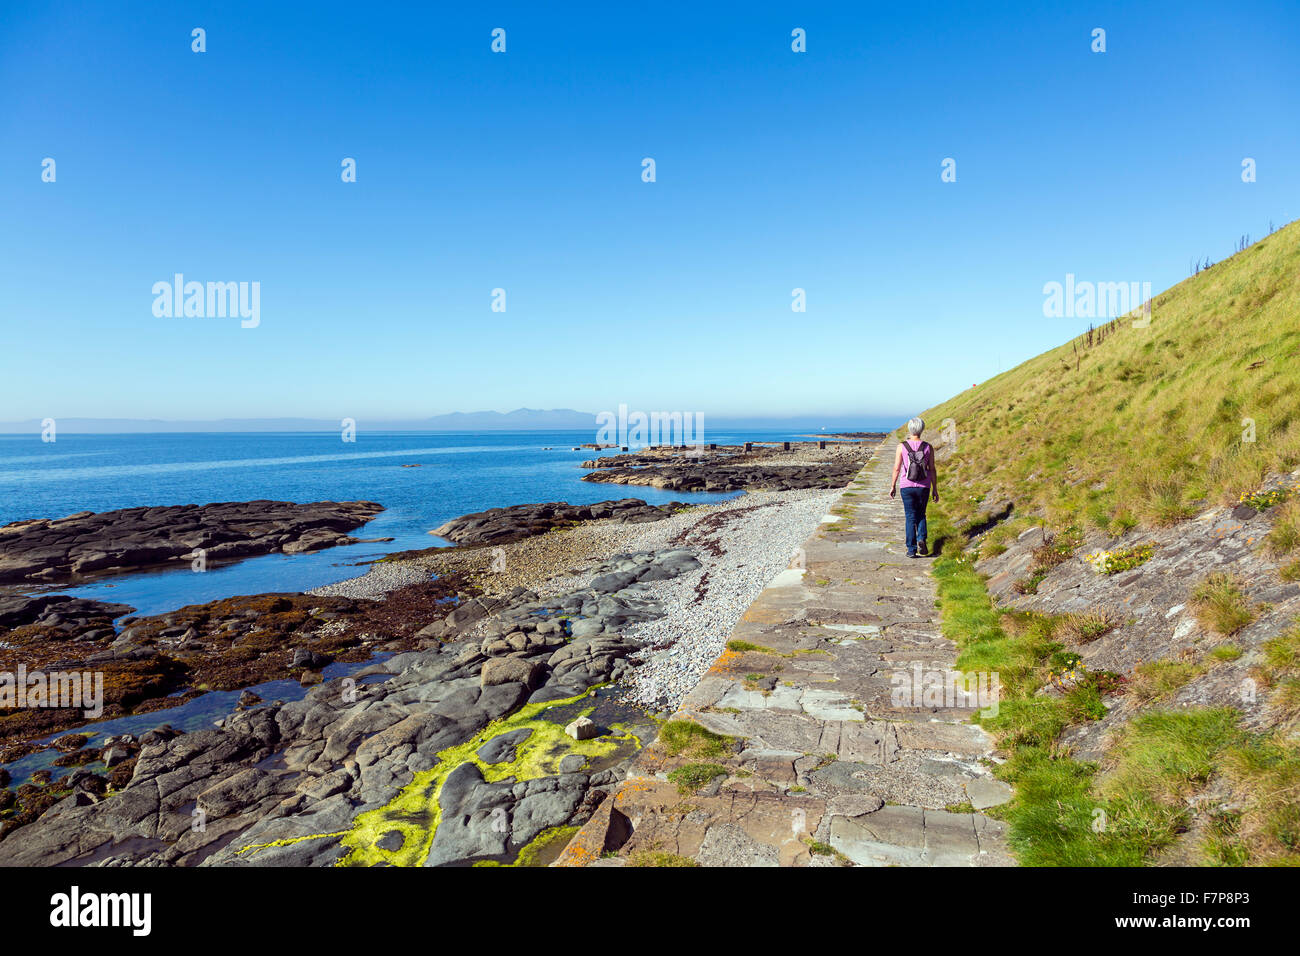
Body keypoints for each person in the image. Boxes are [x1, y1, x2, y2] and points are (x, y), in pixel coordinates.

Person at [889, 417, 939, 557]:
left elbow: (896, 468)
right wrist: (935, 488)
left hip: (906, 486)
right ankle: (921, 538)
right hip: (924, 486)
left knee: (910, 517)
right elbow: (932, 469)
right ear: (922, 429)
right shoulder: (928, 447)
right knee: (921, 514)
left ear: (910, 429)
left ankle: (911, 550)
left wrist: (892, 485)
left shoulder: (902, 446)